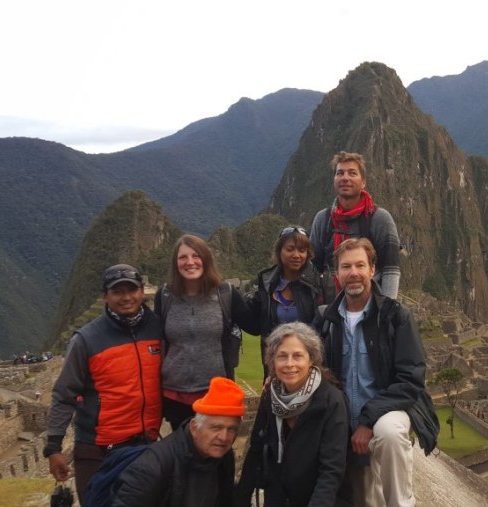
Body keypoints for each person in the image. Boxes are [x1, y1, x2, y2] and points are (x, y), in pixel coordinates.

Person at [317, 238, 438, 507]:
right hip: (344, 416)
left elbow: (411, 378)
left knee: (391, 434)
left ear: (373, 269)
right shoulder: (327, 320)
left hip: (386, 410)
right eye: (346, 266)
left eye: (360, 265)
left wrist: (367, 421)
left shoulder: (395, 317)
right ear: (337, 274)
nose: (353, 273)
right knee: (364, 498)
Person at [44, 264, 163, 505]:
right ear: (105, 297)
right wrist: (53, 447)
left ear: (142, 291)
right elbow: (64, 394)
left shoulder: (157, 328)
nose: (127, 298)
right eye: (118, 292)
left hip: (145, 445)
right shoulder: (87, 339)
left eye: (132, 290)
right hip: (98, 451)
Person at [235, 322, 349, 506]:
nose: (289, 364)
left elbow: (331, 469)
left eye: (297, 356)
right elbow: (255, 450)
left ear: (311, 359)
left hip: (321, 499)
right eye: (282, 356)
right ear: (273, 361)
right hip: (279, 497)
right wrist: (240, 498)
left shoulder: (331, 401)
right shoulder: (270, 395)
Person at [155, 234, 254, 430]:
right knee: (182, 453)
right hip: (176, 394)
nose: (190, 262)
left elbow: (254, 325)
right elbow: (152, 337)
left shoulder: (225, 294)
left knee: (217, 451)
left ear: (206, 260)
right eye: (183, 257)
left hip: (215, 391)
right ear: (176, 263)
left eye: (196, 256)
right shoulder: (165, 296)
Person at [109, 376, 245, 507]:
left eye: (231, 429)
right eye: (216, 427)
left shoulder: (224, 458)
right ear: (194, 427)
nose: (224, 437)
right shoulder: (152, 467)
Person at [310, 151, 401, 301]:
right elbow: (313, 267)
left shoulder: (379, 219)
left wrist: (386, 310)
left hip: (370, 305)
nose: (345, 178)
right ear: (334, 180)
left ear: (363, 182)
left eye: (352, 173)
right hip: (331, 307)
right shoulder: (323, 219)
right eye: (340, 173)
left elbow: (391, 269)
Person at [246, 225, 324, 378]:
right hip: (276, 367)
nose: (296, 255)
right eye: (290, 249)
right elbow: (253, 322)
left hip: (309, 366)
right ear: (279, 251)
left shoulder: (317, 285)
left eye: (302, 250)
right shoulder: (268, 284)